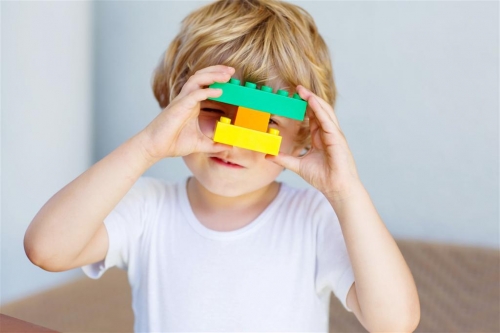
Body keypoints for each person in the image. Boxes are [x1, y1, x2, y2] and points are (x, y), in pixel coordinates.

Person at [24, 0, 420, 331]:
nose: (231, 142)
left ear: (303, 135)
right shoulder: (148, 207)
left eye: (264, 124)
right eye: (214, 110)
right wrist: (147, 146)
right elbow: (46, 249)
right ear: (176, 107)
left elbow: (395, 323)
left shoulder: (314, 218)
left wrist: (345, 191)